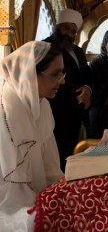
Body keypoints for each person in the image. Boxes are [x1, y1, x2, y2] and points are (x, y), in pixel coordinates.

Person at [0, 40, 64, 231]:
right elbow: (11, 192)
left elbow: (50, 168)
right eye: (55, 74)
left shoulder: (42, 104)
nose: (61, 80)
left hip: (36, 197)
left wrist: (64, 191)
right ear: (29, 75)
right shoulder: (7, 112)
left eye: (62, 73)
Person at [43, 8, 93, 172]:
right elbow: (50, 77)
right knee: (55, 157)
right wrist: (77, 92)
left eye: (73, 31)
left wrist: (87, 89)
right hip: (56, 111)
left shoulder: (77, 51)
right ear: (57, 27)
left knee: (71, 155)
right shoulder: (46, 46)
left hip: (76, 113)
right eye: (65, 28)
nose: (69, 34)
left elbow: (87, 76)